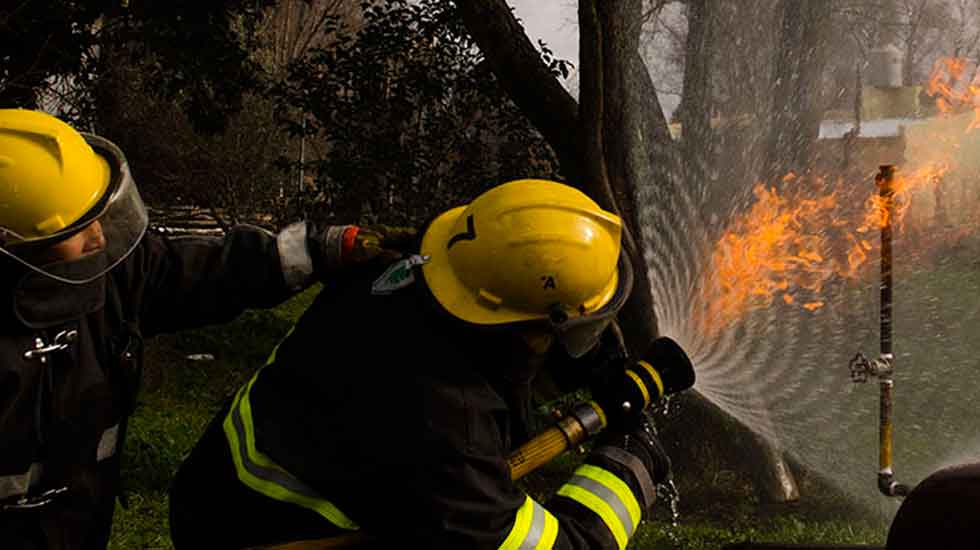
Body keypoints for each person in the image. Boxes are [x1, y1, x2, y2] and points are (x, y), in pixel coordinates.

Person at [169, 179, 674, 549]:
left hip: (214, 491)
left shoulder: (406, 273)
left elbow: (485, 366)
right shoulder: (447, 433)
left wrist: (576, 371)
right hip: (268, 536)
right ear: (528, 325)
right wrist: (627, 463)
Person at [0, 108, 413, 550]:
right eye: (78, 227)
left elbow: (205, 273)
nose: (99, 237)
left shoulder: (111, 273)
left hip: (77, 527)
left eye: (97, 214)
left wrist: (319, 250)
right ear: (14, 248)